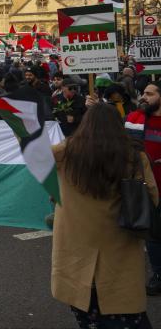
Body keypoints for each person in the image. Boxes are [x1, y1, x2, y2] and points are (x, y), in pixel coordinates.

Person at [52, 103, 157, 326]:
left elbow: (35, 156)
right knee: (125, 314)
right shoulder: (134, 156)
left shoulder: (66, 153)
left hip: (77, 245)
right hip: (120, 243)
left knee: (86, 311)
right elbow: (153, 198)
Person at [125, 80, 161, 296]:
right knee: (154, 235)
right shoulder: (134, 119)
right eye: (143, 93)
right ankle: (158, 273)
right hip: (146, 188)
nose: (144, 97)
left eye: (149, 93)